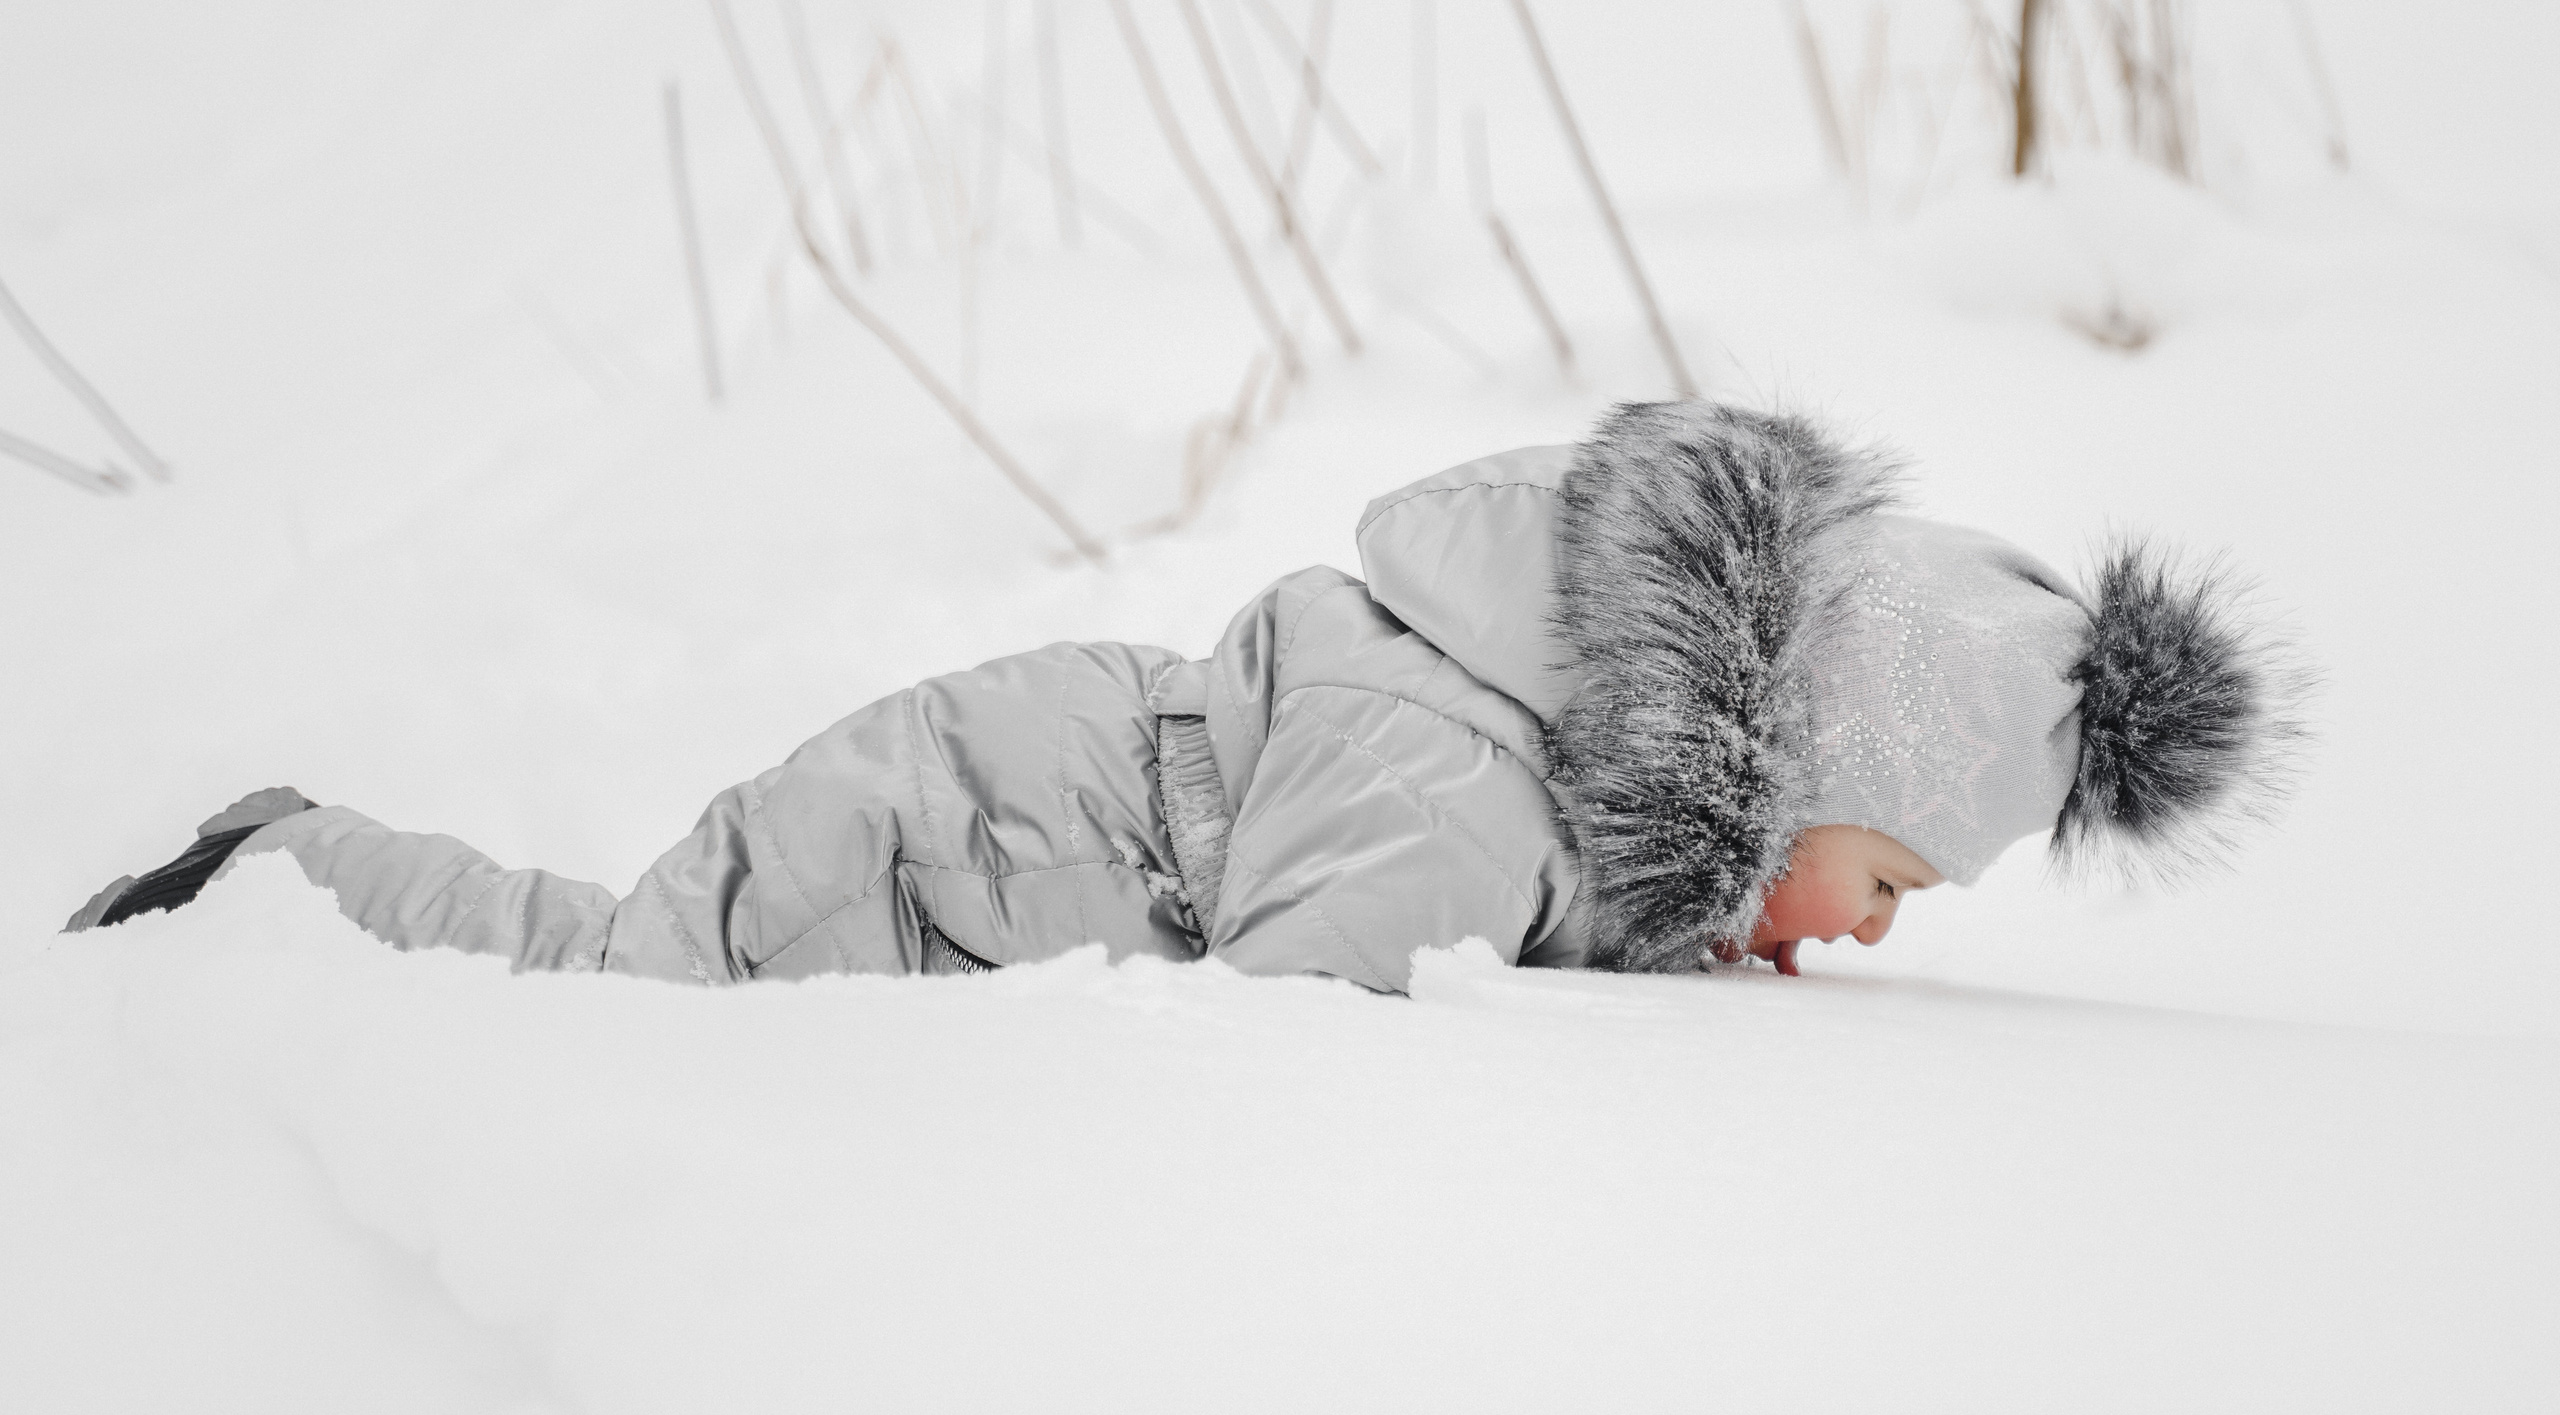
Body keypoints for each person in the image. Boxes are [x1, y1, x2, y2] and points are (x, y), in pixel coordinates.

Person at [62, 400, 2304, 992]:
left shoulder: (1541, 795)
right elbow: (1280, 1021)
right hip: (937, 850)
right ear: (1789, 763)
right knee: (601, 988)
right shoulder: (1457, 791)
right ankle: (288, 871)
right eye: (1894, 872)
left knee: (597, 972)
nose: (1874, 923)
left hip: (984, 811)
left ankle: (298, 874)